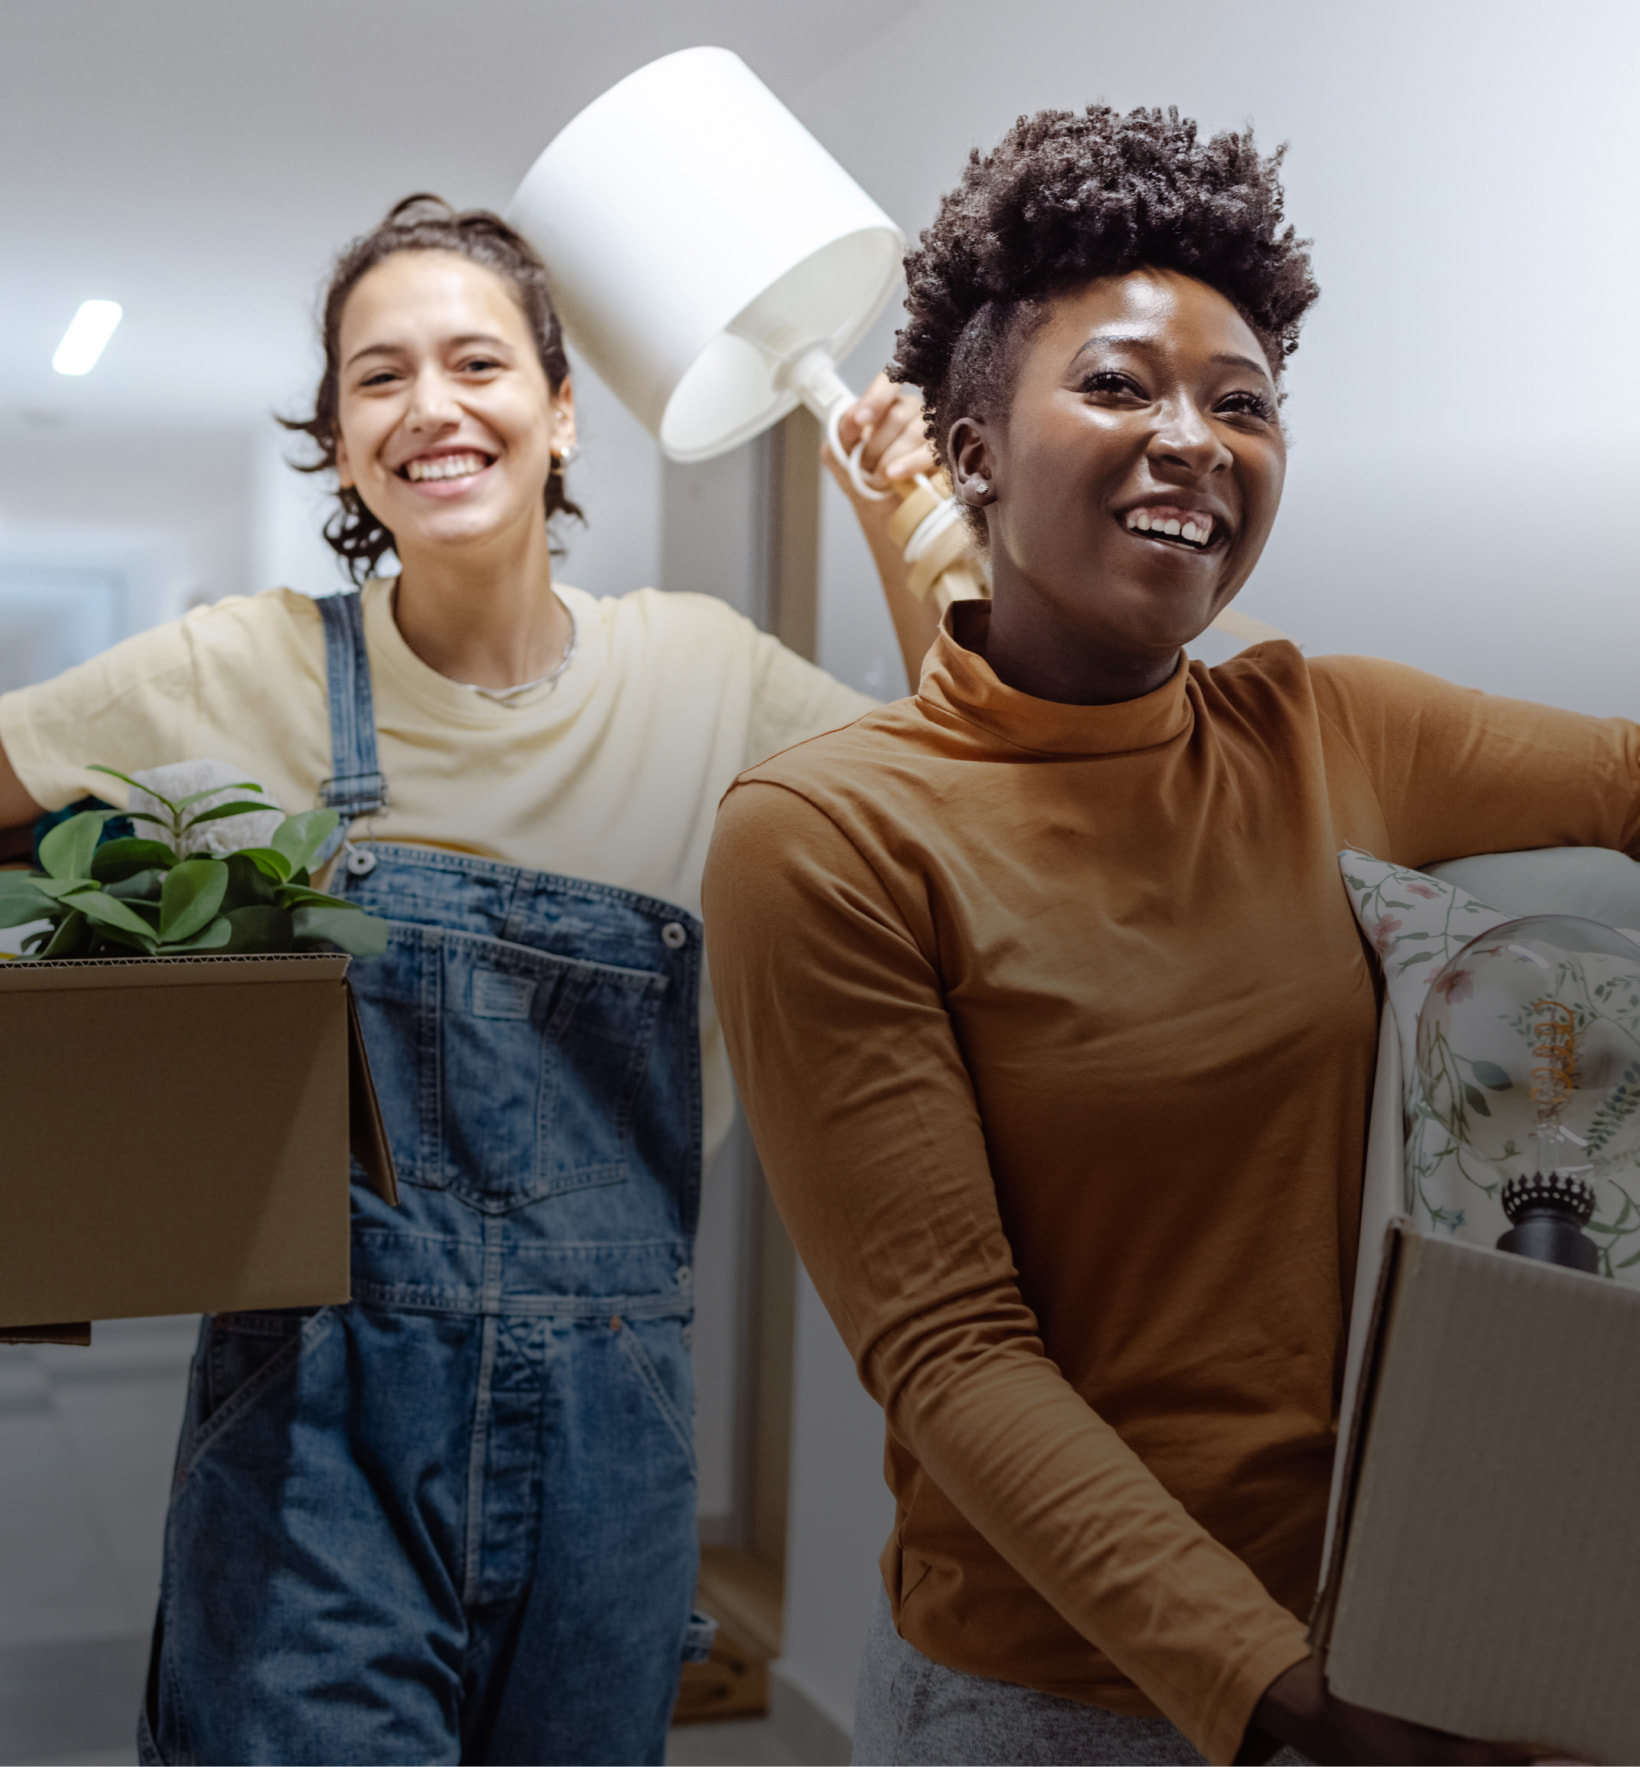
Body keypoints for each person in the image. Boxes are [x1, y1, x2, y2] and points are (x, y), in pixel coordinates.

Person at [702, 106, 1624, 1765]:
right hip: (1065, 1701)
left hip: (1409, 1636)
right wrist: (1284, 1706)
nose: (1199, 437)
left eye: (1245, 402)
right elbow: (950, 1351)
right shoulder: (830, 835)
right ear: (968, 446)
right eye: (1121, 385)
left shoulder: (1331, 732)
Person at [0, 195, 943, 1765]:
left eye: (476, 363)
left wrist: (891, 524)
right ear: (342, 440)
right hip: (315, 1440)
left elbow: (965, 783)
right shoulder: (244, 667)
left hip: (615, 1447)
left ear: (562, 416)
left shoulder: (707, 677)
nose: (430, 407)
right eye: (378, 377)